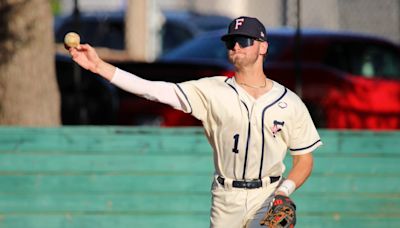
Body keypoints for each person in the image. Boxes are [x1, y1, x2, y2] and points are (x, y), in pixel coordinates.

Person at [68, 16, 322, 228]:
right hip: (226, 197)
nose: (235, 47)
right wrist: (99, 66)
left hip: (268, 194)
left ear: (262, 47)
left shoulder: (288, 101)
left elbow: (304, 159)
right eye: (231, 42)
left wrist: (284, 191)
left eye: (244, 41)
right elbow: (151, 89)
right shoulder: (211, 90)